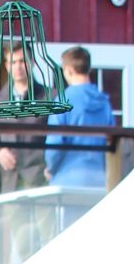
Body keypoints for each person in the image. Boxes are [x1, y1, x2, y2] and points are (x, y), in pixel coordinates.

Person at [45, 46, 116, 192]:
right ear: (88, 69)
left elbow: (55, 144)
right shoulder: (104, 103)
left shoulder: (63, 101)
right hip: (100, 179)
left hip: (67, 179)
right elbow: (113, 142)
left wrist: (50, 168)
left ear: (68, 70)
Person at [0, 48, 47, 192]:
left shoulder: (49, 97)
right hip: (10, 181)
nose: (18, 66)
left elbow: (59, 138)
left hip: (40, 180)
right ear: (7, 66)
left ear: (32, 63)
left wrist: (52, 167)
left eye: (22, 61)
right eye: (13, 62)